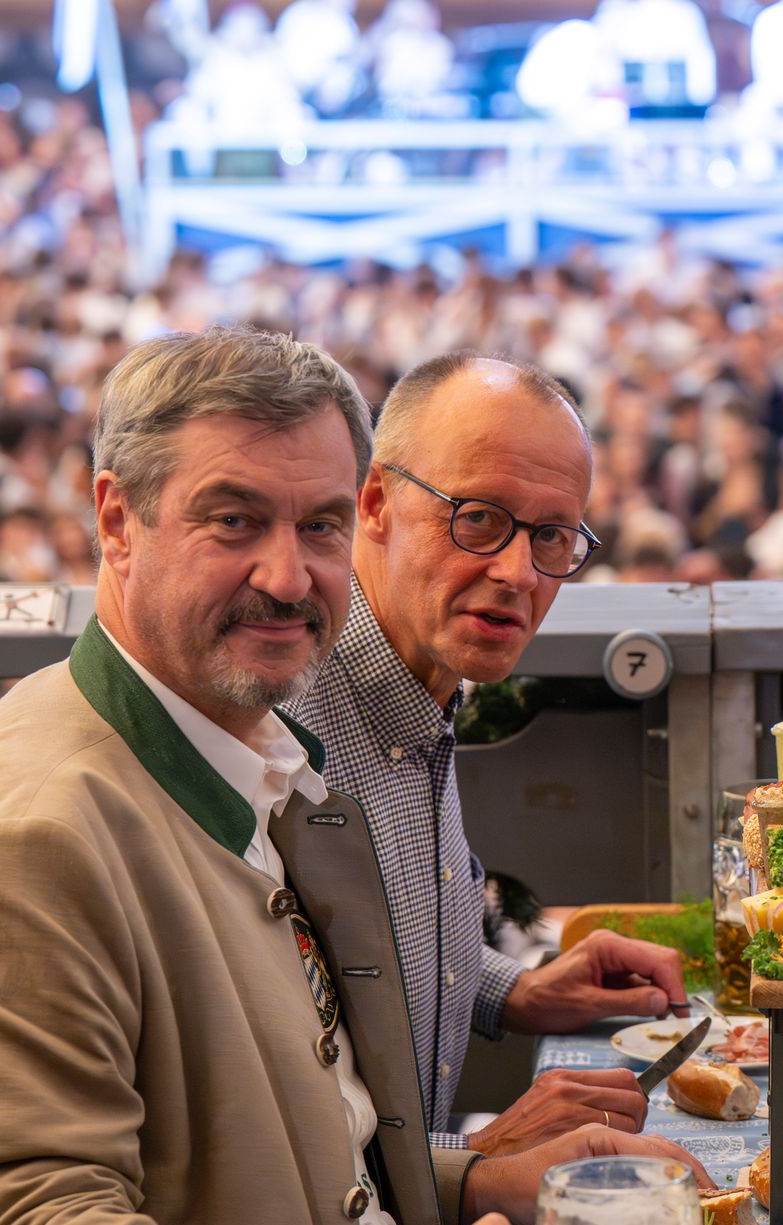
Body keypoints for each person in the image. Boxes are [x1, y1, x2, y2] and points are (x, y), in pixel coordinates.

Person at [0, 327, 706, 1225]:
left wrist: (477, 1177)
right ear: (116, 521)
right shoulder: (30, 832)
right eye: (233, 520)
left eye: (315, 525)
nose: (287, 577)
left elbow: (274, 1144)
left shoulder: (242, 756)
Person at [293, 351, 684, 1160]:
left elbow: (362, 962)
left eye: (552, 536)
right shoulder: (287, 730)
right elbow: (273, 1150)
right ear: (374, 503)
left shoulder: (425, 679)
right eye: (477, 517)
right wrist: (481, 1159)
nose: (517, 572)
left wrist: (519, 990)